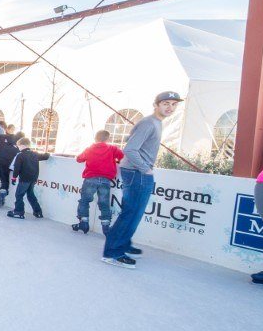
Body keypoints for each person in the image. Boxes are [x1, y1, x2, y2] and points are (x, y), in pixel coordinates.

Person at [102, 91, 182, 268]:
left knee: (133, 213)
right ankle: (113, 253)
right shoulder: (149, 123)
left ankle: (123, 245)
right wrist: (146, 169)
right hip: (137, 173)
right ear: (156, 105)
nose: (170, 107)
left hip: (136, 172)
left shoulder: (156, 122)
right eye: (166, 103)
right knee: (131, 213)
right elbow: (130, 150)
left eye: (174, 104)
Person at [73, 129, 124, 235]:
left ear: (95, 138)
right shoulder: (112, 148)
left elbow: (79, 159)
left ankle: (84, 223)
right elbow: (123, 157)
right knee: (104, 204)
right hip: (105, 180)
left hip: (91, 178)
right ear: (107, 139)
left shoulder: (89, 149)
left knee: (84, 201)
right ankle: (106, 228)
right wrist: (115, 161)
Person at [6, 138, 50, 220]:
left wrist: (14, 178)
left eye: (19, 146)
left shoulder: (20, 155)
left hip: (24, 179)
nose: (18, 148)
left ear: (22, 145)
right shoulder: (35, 154)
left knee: (19, 195)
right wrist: (48, 153)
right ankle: (38, 212)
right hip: (33, 179)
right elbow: (46, 156)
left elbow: (17, 168)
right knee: (30, 195)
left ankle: (18, 212)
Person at [0, 124, 22, 208]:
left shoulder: (4, 137)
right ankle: (3, 191)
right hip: (6, 163)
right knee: (4, 179)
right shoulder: (19, 147)